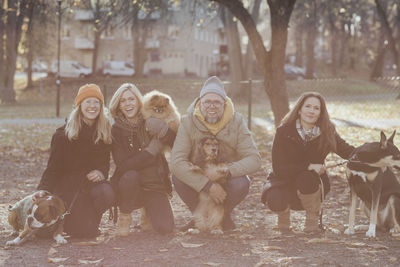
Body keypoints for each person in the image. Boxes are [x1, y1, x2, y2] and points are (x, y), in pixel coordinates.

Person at [170, 76, 261, 231]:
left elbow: (254, 160)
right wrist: (207, 185)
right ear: (200, 103)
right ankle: (199, 216)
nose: (212, 106)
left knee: (241, 183)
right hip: (198, 175)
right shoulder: (188, 122)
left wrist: (222, 171)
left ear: (224, 104)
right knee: (178, 177)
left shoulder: (237, 121)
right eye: (207, 102)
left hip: (227, 178)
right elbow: (176, 162)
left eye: (217, 102)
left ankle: (222, 216)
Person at [261, 92, 355, 233]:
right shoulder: (283, 131)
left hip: (310, 185)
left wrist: (373, 151)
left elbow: (348, 151)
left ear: (320, 113)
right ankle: (283, 220)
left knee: (306, 177)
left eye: (316, 108)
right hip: (283, 181)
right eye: (308, 106)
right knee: (275, 198)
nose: (311, 111)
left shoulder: (327, 132)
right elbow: (278, 168)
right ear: (299, 110)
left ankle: (312, 221)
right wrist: (309, 166)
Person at [34, 84, 115, 238]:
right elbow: (53, 168)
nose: (92, 106)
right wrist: (43, 188)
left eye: (96, 102)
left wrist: (100, 172)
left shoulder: (104, 133)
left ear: (101, 106)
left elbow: (104, 164)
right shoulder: (62, 135)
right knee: (81, 232)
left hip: (90, 187)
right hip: (68, 190)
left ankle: (92, 220)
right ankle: (80, 222)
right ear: (79, 106)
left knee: (107, 192)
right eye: (88, 102)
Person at [109, 83, 175, 236]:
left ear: (139, 101)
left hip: (153, 184)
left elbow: (175, 142)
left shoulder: (151, 120)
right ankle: (125, 215)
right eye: (123, 101)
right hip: (130, 186)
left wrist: (164, 130)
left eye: (131, 99)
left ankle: (148, 210)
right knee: (130, 175)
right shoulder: (116, 130)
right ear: (118, 105)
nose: (128, 104)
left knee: (165, 228)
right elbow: (124, 165)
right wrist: (152, 150)